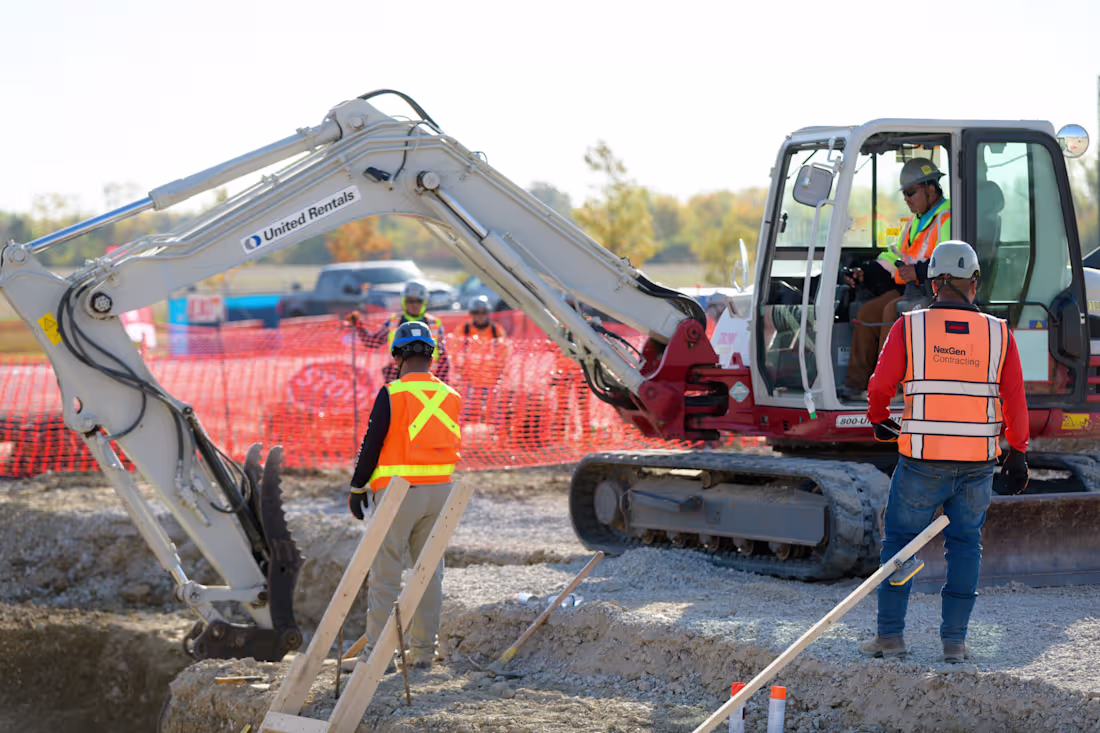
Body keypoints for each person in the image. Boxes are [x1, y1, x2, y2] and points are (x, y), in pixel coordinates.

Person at [858, 240, 1029, 664]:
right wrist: (1018, 451)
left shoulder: (908, 326)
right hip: (976, 464)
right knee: (966, 546)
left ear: (935, 282)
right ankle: (954, 643)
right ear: (974, 283)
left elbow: (880, 385)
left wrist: (878, 416)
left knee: (900, 544)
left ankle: (891, 639)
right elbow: (1015, 399)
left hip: (921, 461)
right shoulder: (999, 333)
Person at [344, 321, 462, 672]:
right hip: (441, 493)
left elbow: (371, 445)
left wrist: (357, 487)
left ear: (397, 355)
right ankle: (423, 653)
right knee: (428, 573)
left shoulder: (392, 394)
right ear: (432, 355)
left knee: (386, 575)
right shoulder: (450, 396)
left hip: (398, 494)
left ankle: (379, 658)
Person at [840, 158, 951, 401]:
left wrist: (919, 272)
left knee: (892, 311)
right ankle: (855, 386)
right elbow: (895, 255)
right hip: (910, 290)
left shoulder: (947, 217)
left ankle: (890, 389)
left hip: (935, 293)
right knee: (867, 313)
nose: (907, 199)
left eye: (911, 192)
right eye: (904, 194)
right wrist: (865, 272)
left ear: (930, 189)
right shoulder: (916, 220)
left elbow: (951, 260)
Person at [346, 279, 450, 383]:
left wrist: (443, 384)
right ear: (404, 301)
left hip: (428, 380)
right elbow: (372, 342)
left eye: (418, 301)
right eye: (410, 300)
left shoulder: (434, 324)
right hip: (398, 378)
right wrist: (358, 325)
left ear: (424, 302)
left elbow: (443, 359)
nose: (414, 305)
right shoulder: (394, 322)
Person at [455, 295, 508, 423]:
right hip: (469, 380)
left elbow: (504, 353)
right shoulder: (464, 330)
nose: (480, 316)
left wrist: (499, 373)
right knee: (466, 414)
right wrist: (461, 371)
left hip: (491, 380)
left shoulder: (496, 330)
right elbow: (455, 351)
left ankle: (491, 440)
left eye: (483, 312)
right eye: (476, 312)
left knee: (493, 414)